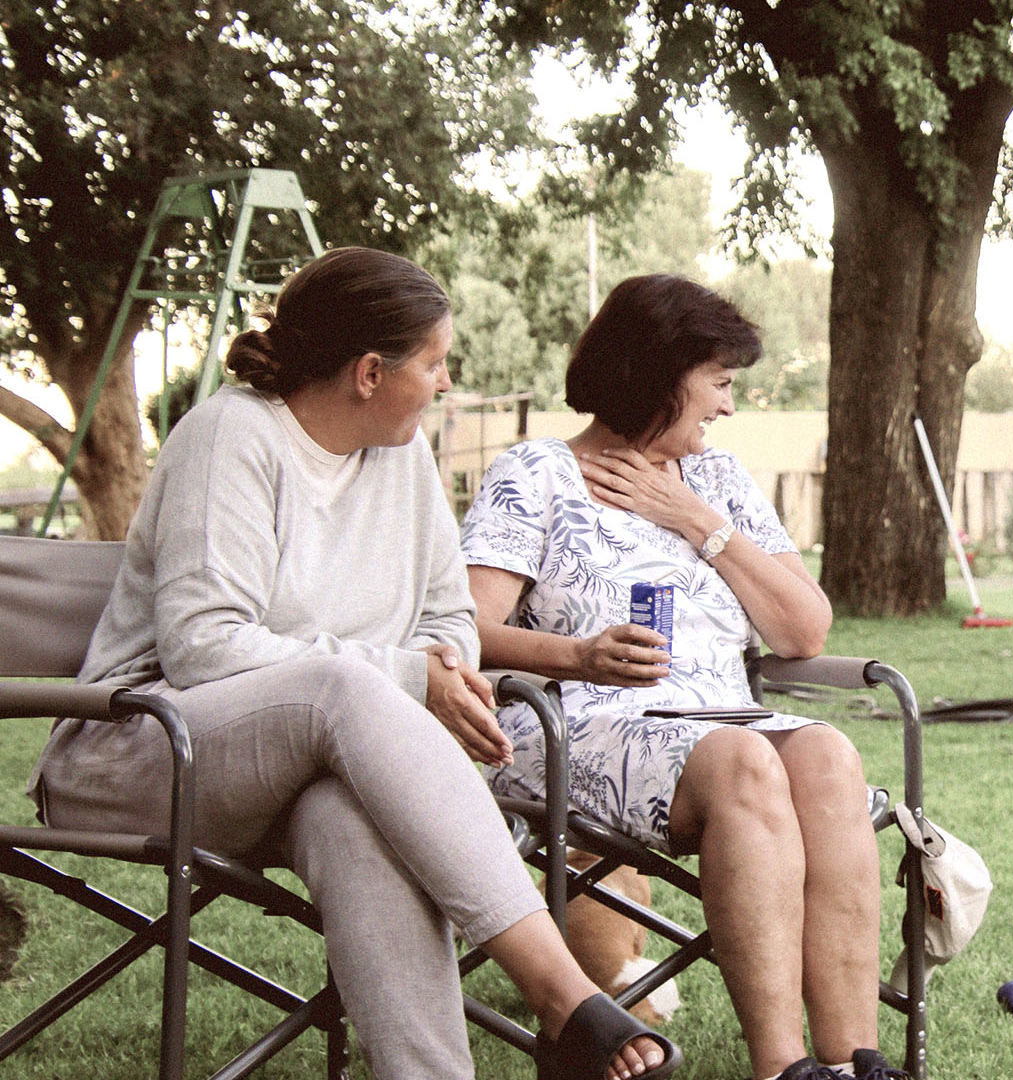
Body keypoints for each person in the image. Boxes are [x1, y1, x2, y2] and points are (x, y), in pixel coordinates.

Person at [31, 248, 677, 1080]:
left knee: (353, 820)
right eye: (435, 363)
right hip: (142, 751)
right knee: (344, 687)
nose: (446, 381)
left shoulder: (399, 452)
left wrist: (439, 664)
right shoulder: (230, 437)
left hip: (309, 769)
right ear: (370, 372)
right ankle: (566, 1000)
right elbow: (203, 644)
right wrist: (409, 678)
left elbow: (450, 614)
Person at [460, 274, 904, 1080]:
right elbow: (467, 633)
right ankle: (783, 1068)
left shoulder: (719, 482)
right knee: (746, 764)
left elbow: (804, 628)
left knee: (828, 755)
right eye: (720, 382)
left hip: (719, 720)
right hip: (573, 722)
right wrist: (578, 654)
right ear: (657, 375)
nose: (729, 406)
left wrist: (695, 520)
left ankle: (849, 1063)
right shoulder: (537, 473)